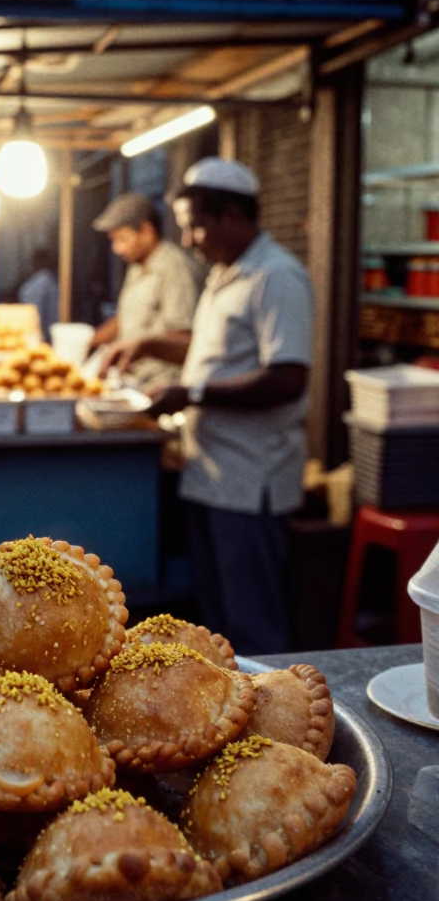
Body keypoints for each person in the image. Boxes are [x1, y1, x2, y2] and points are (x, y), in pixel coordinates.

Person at [102, 158, 314, 655]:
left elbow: (288, 376)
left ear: (235, 216)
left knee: (252, 622)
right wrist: (150, 344)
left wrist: (192, 393)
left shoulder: (277, 277)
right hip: (209, 472)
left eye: (197, 226)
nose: (191, 239)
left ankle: (274, 722)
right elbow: (209, 354)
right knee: (219, 622)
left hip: (249, 479)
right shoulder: (225, 275)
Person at [88, 191, 204, 388]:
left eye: (123, 239)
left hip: (163, 385)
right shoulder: (136, 266)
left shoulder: (175, 268)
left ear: (146, 231)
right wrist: (88, 342)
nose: (117, 249)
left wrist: (142, 346)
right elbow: (127, 319)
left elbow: (186, 336)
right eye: (114, 241)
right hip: (132, 381)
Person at [18, 247, 59, 342]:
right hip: (45, 333)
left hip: (43, 334)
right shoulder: (43, 281)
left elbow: (34, 310)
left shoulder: (42, 282)